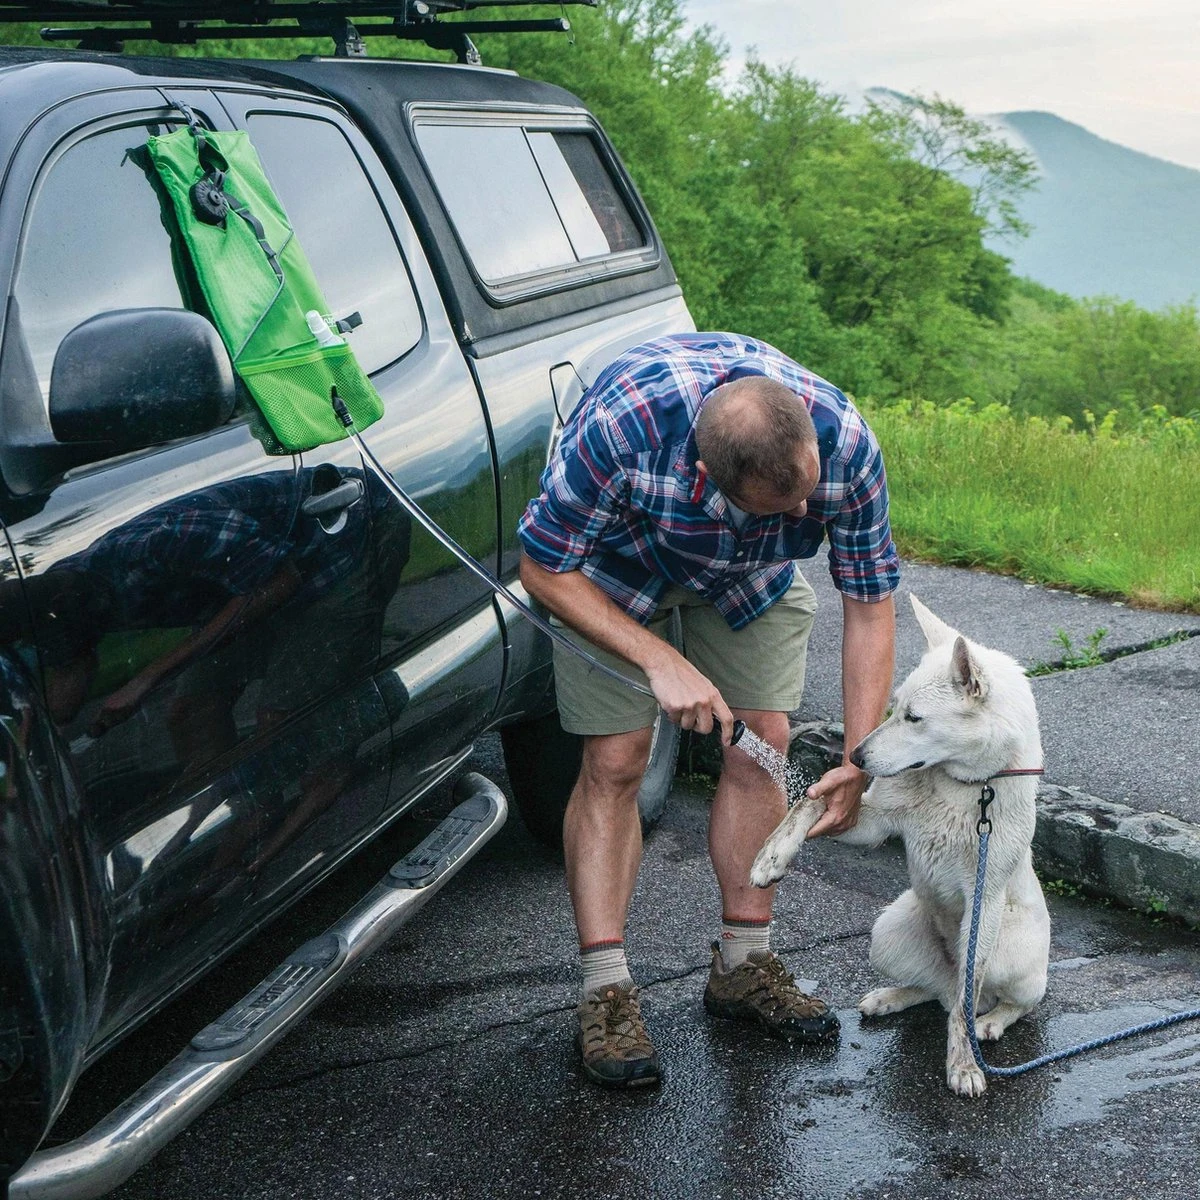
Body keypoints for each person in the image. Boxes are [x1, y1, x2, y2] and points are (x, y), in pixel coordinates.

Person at [517, 332, 899, 1089]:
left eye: (806, 492)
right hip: (610, 571)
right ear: (705, 476)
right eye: (780, 504)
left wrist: (862, 758)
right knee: (617, 759)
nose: (803, 510)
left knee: (766, 739)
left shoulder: (843, 443)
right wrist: (660, 660)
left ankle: (743, 964)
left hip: (747, 577)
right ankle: (606, 990)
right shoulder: (622, 433)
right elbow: (543, 565)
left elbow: (870, 603)